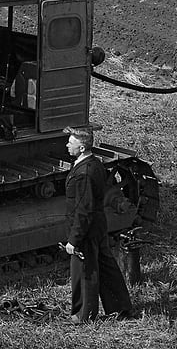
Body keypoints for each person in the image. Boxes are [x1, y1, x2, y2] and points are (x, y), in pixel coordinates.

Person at [62, 126, 133, 324]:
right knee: (106, 265)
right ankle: (121, 307)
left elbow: (84, 209)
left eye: (71, 142)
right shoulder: (94, 164)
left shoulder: (84, 172)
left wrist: (74, 240)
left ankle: (83, 315)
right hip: (98, 225)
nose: (67, 145)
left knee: (85, 271)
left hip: (87, 229)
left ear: (82, 147)